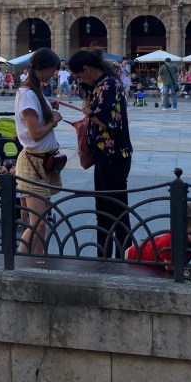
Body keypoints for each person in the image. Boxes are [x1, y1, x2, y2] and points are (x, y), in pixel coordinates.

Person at [68, 49, 134, 258]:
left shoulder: (109, 85)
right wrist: (87, 94)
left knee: (116, 210)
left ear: (86, 69)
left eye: (79, 76)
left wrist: (88, 112)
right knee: (103, 210)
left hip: (114, 155)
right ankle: (104, 255)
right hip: (104, 155)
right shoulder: (99, 85)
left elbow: (109, 121)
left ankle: (124, 255)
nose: (79, 81)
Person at [13, 48, 63, 254]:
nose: (54, 74)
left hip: (43, 162)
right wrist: (53, 121)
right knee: (37, 223)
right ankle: (19, 261)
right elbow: (35, 134)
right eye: (53, 70)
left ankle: (38, 262)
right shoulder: (28, 94)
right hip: (33, 163)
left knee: (40, 223)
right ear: (46, 68)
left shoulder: (35, 90)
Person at [124, 203, 191, 272]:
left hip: (153, 264)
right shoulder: (170, 241)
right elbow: (169, 266)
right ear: (184, 228)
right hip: (134, 256)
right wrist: (189, 270)